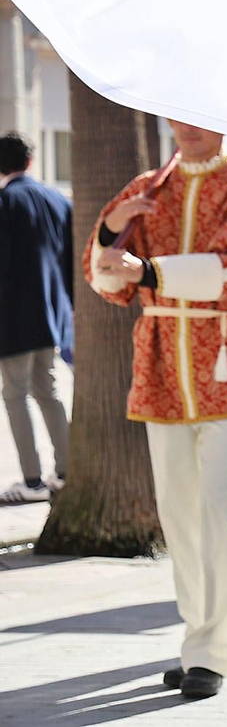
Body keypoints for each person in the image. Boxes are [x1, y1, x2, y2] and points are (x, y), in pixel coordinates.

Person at [85, 121, 227, 701]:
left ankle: (218, 653)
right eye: (178, 117)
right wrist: (110, 230)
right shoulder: (150, 187)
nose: (187, 128)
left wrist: (148, 271)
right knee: (178, 511)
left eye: (199, 117)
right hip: (163, 366)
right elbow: (106, 282)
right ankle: (200, 639)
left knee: (222, 506)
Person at [0, 131, 73, 505]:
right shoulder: (57, 199)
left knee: (15, 395)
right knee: (47, 391)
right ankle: (65, 471)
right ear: (29, 160)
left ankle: (31, 480)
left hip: (13, 321)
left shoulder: (6, 202)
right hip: (52, 317)